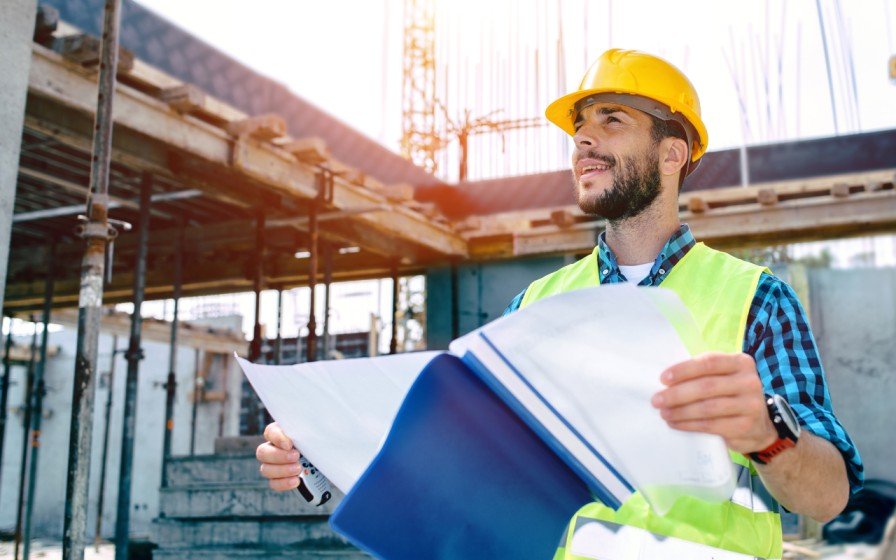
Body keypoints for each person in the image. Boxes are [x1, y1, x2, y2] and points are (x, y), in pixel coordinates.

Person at [256, 49, 862, 560]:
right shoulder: (535, 308)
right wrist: (323, 445)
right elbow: (470, 466)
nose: (583, 138)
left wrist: (766, 433)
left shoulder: (756, 298)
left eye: (611, 119)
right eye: (579, 125)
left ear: (673, 153)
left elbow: (827, 496)